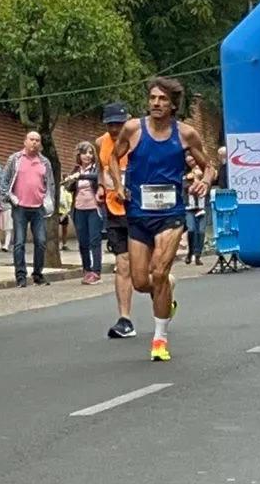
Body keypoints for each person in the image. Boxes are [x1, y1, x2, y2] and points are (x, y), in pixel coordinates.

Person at [107, 78, 214, 362]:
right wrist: (118, 185)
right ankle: (167, 291)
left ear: (173, 105)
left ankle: (159, 340)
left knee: (159, 271)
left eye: (163, 99)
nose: (156, 103)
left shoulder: (186, 134)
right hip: (138, 213)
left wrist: (204, 182)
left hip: (170, 214)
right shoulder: (133, 129)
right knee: (141, 282)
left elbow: (209, 167)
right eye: (153, 98)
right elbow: (113, 159)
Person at [96, 102, 135, 338]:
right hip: (114, 210)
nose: (113, 129)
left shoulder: (138, 141)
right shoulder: (101, 142)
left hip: (139, 210)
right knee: (122, 265)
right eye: (110, 124)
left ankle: (164, 294)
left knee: (147, 271)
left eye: (118, 124)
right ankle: (125, 320)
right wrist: (101, 187)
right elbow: (101, 169)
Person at [2, 131, 53, 287]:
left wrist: (49, 201)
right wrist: (10, 198)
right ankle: (20, 277)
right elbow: (5, 181)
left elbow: (50, 184)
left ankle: (38, 274)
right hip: (20, 207)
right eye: (31, 139)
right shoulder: (15, 159)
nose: (34, 142)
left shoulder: (45, 162)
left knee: (41, 242)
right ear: (25, 141)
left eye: (37, 140)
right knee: (19, 243)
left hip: (39, 208)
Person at [66, 143, 104, 284]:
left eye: (90, 153)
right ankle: (87, 270)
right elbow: (69, 187)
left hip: (94, 209)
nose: (88, 156)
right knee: (83, 242)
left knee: (95, 241)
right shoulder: (75, 169)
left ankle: (96, 272)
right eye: (85, 153)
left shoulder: (96, 169)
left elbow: (97, 177)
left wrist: (81, 176)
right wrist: (71, 180)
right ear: (79, 155)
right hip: (78, 209)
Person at [182, 154, 210, 266]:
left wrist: (204, 179)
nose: (192, 163)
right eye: (189, 161)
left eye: (193, 160)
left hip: (202, 207)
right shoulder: (186, 177)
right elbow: (189, 189)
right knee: (191, 229)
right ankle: (190, 252)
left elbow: (209, 183)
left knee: (201, 231)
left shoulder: (205, 176)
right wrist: (196, 180)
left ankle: (198, 255)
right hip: (190, 208)